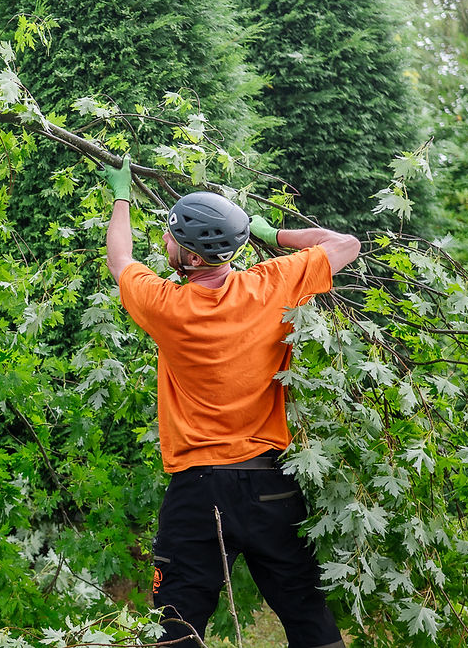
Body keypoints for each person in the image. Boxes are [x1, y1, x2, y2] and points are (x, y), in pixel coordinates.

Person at [100, 156, 359, 648]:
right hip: (271, 488)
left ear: (192, 258)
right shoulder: (272, 285)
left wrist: (121, 196)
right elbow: (345, 244)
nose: (165, 241)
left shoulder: (166, 305)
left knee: (177, 623)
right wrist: (273, 231)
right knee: (308, 615)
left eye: (172, 236)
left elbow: (121, 261)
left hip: (198, 492)